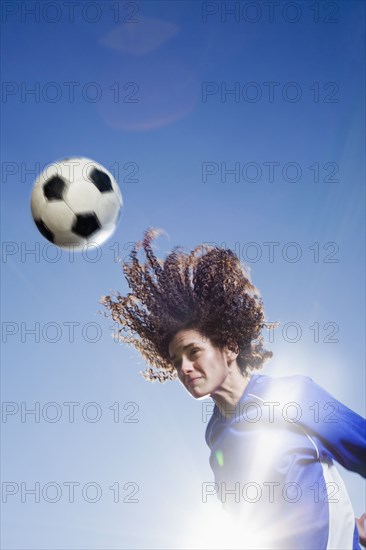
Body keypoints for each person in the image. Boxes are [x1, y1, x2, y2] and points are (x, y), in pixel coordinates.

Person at [101, 227, 366, 549]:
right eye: (175, 361)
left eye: (193, 352)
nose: (184, 367)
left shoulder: (293, 397)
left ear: (228, 347)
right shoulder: (215, 437)